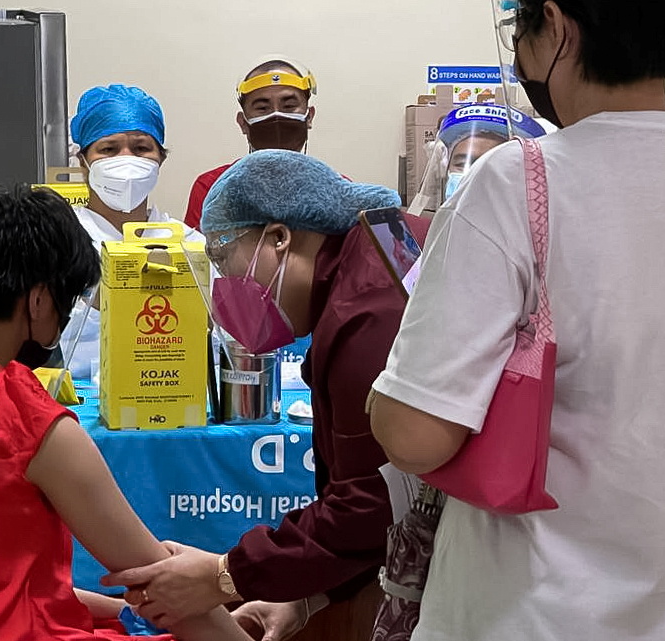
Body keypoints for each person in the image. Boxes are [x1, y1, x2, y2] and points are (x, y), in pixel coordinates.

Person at [369, 0, 665, 640]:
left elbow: (416, 435)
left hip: (534, 615)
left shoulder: (513, 181)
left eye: (520, 35)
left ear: (555, 27)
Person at [0, 185, 250, 641]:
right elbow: (153, 576)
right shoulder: (22, 414)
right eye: (66, 303)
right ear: (38, 301)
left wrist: (120, 609)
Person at [104, 150, 430, 641]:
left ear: (279, 237)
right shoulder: (374, 254)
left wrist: (223, 575)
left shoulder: (366, 314)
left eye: (222, 257)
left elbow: (373, 503)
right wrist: (304, 596)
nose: (223, 288)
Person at [63, 84, 203, 380]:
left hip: (169, 390)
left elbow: (220, 345)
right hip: (75, 401)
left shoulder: (188, 244)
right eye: (109, 150)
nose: (126, 159)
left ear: (160, 158)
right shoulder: (56, 244)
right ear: (83, 161)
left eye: (141, 148)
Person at [183, 56, 317, 230]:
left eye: (289, 106)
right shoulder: (211, 187)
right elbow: (196, 254)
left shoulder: (336, 191)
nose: (276, 116)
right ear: (243, 123)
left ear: (309, 117)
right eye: (262, 108)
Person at [408, 103, 546, 217]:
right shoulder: (432, 235)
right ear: (447, 166)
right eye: (463, 164)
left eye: (492, 165)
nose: (474, 175)